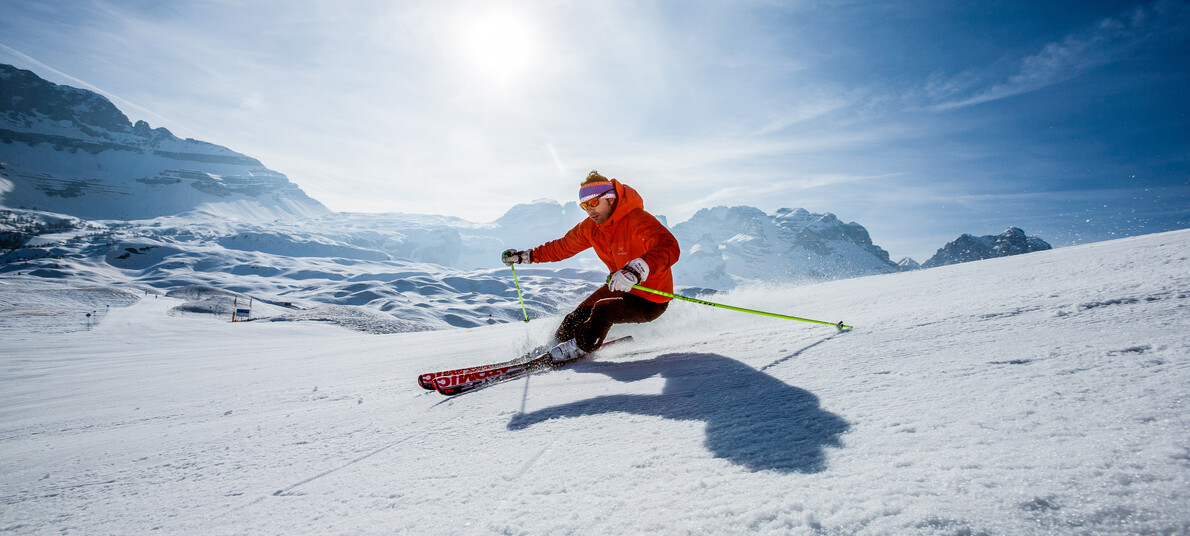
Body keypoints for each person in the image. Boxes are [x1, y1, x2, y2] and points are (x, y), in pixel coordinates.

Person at [502, 170, 680, 362]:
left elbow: (668, 246)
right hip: (620, 288)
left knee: (602, 311)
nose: (590, 210)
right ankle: (553, 348)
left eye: (594, 203)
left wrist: (637, 270)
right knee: (575, 317)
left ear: (610, 200)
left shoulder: (637, 219)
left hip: (652, 298)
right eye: (585, 205)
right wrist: (525, 257)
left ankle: (580, 347)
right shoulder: (591, 228)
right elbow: (562, 247)